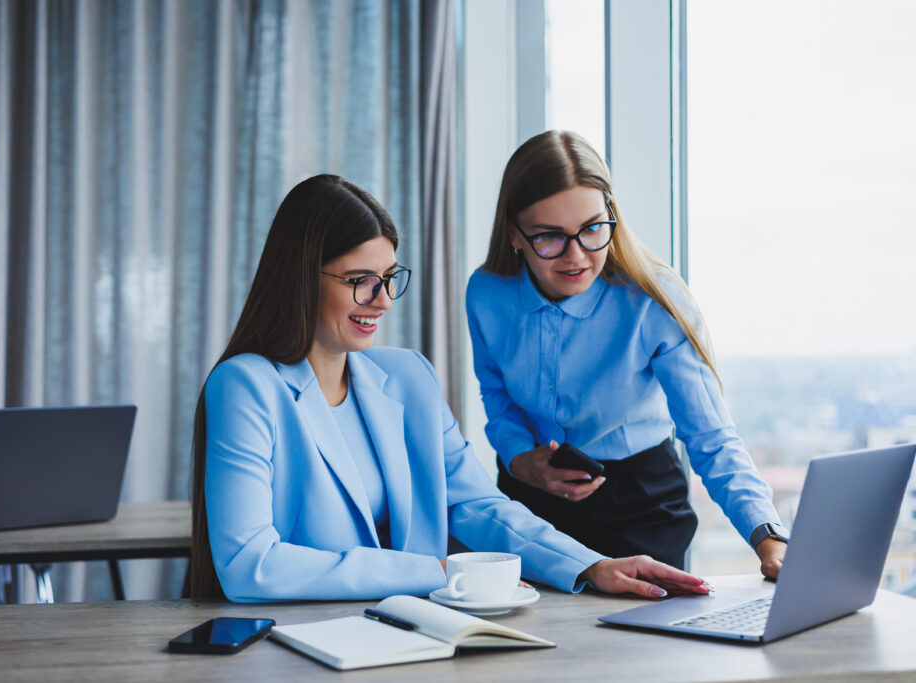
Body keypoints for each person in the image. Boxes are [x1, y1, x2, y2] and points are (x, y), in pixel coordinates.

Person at [188, 173, 710, 602]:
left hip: (418, 636)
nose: (383, 300)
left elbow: (477, 505)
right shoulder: (246, 385)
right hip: (302, 646)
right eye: (360, 280)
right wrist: (434, 572)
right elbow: (248, 565)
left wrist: (591, 565)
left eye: (390, 277)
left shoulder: (407, 376)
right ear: (302, 278)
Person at [466, 130, 788, 578]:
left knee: (634, 643)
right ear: (514, 234)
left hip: (641, 505)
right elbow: (497, 397)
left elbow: (711, 437)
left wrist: (768, 536)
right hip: (529, 501)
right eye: (549, 237)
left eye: (592, 228)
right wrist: (522, 460)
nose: (576, 255)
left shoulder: (653, 299)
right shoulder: (486, 293)